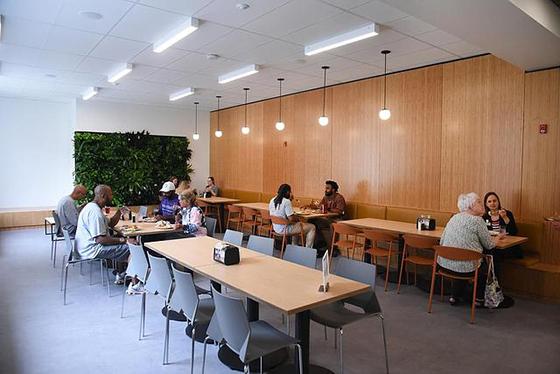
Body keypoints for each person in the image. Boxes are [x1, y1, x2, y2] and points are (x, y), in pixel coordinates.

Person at [439, 192, 503, 306]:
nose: (482, 204)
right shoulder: (478, 221)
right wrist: (497, 239)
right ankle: (478, 298)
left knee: (460, 257)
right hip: (467, 269)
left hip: (445, 265)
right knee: (487, 262)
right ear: (470, 206)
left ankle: (454, 296)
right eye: (478, 202)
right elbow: (489, 245)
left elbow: (442, 240)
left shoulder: (454, 217)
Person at [75, 185, 133, 285]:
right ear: (103, 196)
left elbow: (110, 223)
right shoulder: (95, 212)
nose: (112, 196)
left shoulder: (92, 207)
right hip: (93, 249)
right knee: (133, 248)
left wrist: (119, 212)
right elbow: (100, 240)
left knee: (120, 240)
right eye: (110, 194)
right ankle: (134, 284)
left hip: (86, 246)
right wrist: (124, 240)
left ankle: (121, 274)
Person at [269, 184, 316, 248]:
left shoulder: (272, 200)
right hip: (285, 229)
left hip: (276, 228)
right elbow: (291, 218)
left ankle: (294, 247)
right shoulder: (286, 201)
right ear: (288, 192)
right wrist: (298, 219)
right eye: (291, 192)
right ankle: (308, 250)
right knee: (312, 227)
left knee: (296, 224)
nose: (291, 193)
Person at [311, 180, 346, 256]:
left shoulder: (339, 198)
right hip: (326, 218)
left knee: (331, 225)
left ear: (333, 190)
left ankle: (332, 249)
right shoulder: (325, 197)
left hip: (336, 219)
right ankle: (320, 246)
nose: (325, 190)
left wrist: (328, 209)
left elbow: (340, 211)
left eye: (327, 188)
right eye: (325, 188)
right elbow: (320, 206)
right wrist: (310, 206)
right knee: (312, 221)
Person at [483, 191, 522, 259]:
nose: (492, 203)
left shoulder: (507, 213)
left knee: (493, 253)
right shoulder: (485, 217)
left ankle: (492, 269)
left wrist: (504, 217)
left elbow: (514, 231)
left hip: (508, 246)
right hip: (493, 243)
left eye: (494, 201)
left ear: (498, 202)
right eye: (489, 201)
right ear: (486, 204)